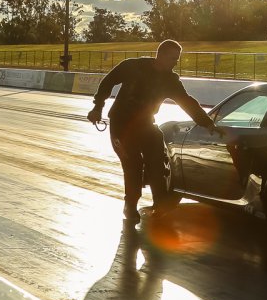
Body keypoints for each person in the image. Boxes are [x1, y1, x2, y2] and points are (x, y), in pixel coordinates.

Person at [87, 40, 218, 225]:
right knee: (133, 164)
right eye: (172, 58)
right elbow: (108, 82)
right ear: (161, 55)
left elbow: (186, 102)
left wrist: (207, 123)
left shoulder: (170, 80)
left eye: (177, 59)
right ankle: (130, 205)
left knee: (157, 158)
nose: (175, 62)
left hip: (146, 124)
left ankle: (160, 203)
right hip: (121, 125)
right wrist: (97, 108)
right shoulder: (133, 66)